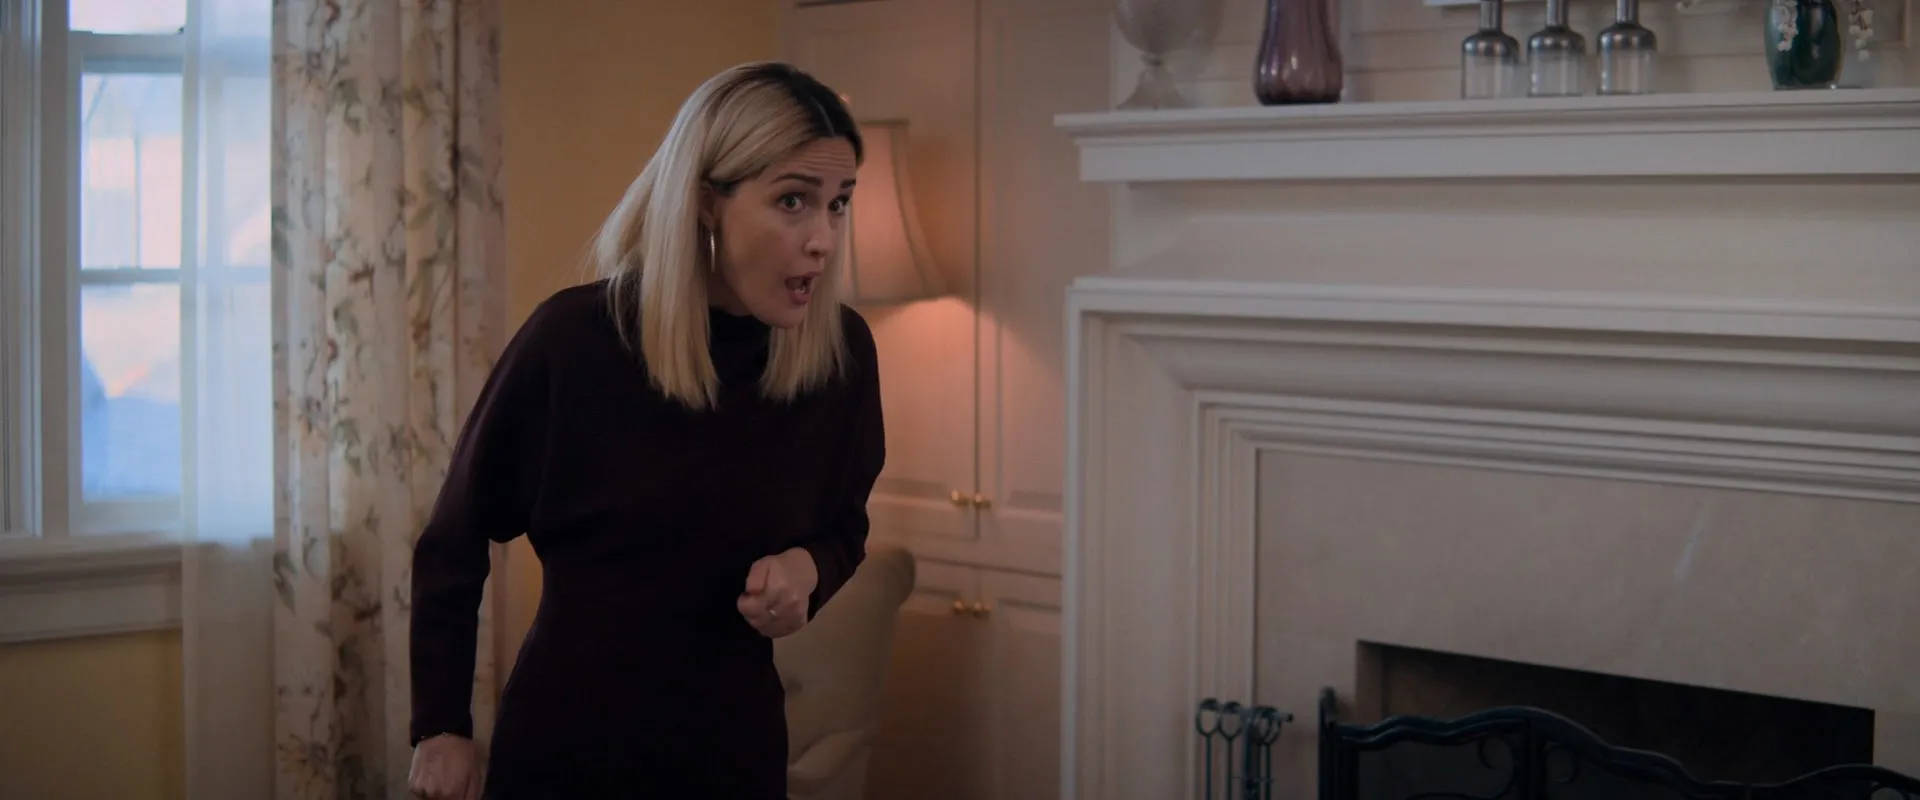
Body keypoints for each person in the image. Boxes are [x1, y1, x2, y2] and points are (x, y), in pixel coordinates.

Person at [405, 61, 886, 799]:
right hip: (568, 751)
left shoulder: (841, 356)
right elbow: (454, 540)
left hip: (734, 754)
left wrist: (810, 567)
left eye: (839, 203)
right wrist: (442, 726)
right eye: (793, 200)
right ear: (705, 203)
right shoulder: (573, 342)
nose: (823, 238)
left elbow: (846, 525)